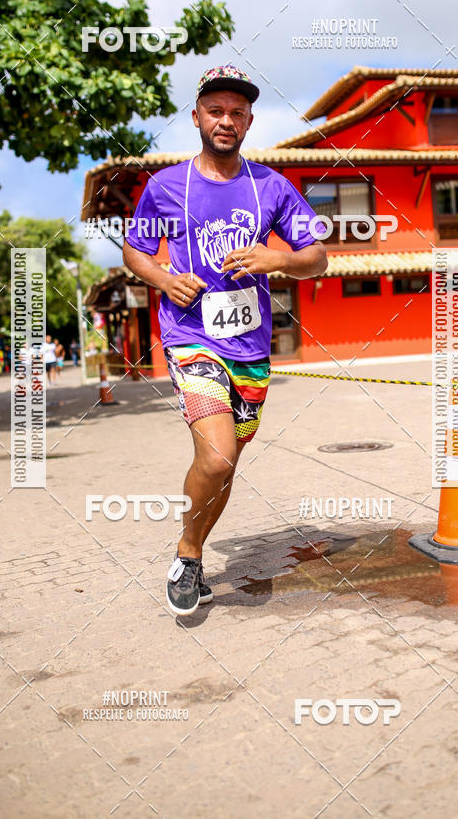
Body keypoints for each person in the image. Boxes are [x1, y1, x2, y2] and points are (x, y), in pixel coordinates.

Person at [123, 64, 327, 616]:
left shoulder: (271, 186)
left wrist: (276, 258)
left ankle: (194, 547)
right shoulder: (167, 186)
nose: (226, 120)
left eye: (237, 112)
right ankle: (188, 556)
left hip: (250, 347)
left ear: (249, 120)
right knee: (215, 456)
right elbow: (134, 250)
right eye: (216, 110)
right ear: (196, 117)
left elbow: (317, 257)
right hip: (191, 337)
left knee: (227, 460)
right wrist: (164, 278)